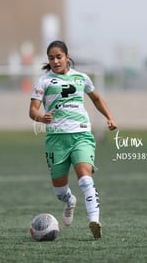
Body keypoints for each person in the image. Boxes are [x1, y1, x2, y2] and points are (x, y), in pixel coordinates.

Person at [29, 40, 117, 239]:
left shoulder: (81, 78)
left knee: (85, 176)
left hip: (82, 135)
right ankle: (69, 201)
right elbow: (32, 110)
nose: (55, 61)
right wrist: (41, 117)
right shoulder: (44, 81)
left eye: (59, 57)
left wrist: (109, 117)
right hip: (56, 139)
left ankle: (94, 220)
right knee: (59, 190)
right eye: (51, 58)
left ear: (67, 57)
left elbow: (96, 98)